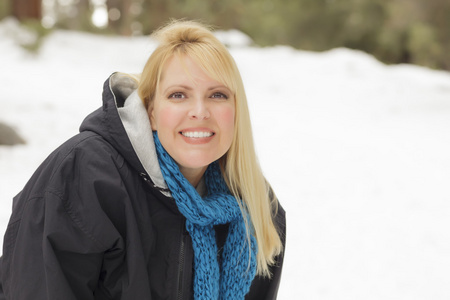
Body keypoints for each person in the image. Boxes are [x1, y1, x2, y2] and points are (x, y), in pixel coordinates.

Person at [0, 20, 286, 300]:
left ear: (236, 112)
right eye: (178, 95)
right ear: (150, 111)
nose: (200, 111)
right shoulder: (84, 179)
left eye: (217, 95)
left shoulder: (257, 211)